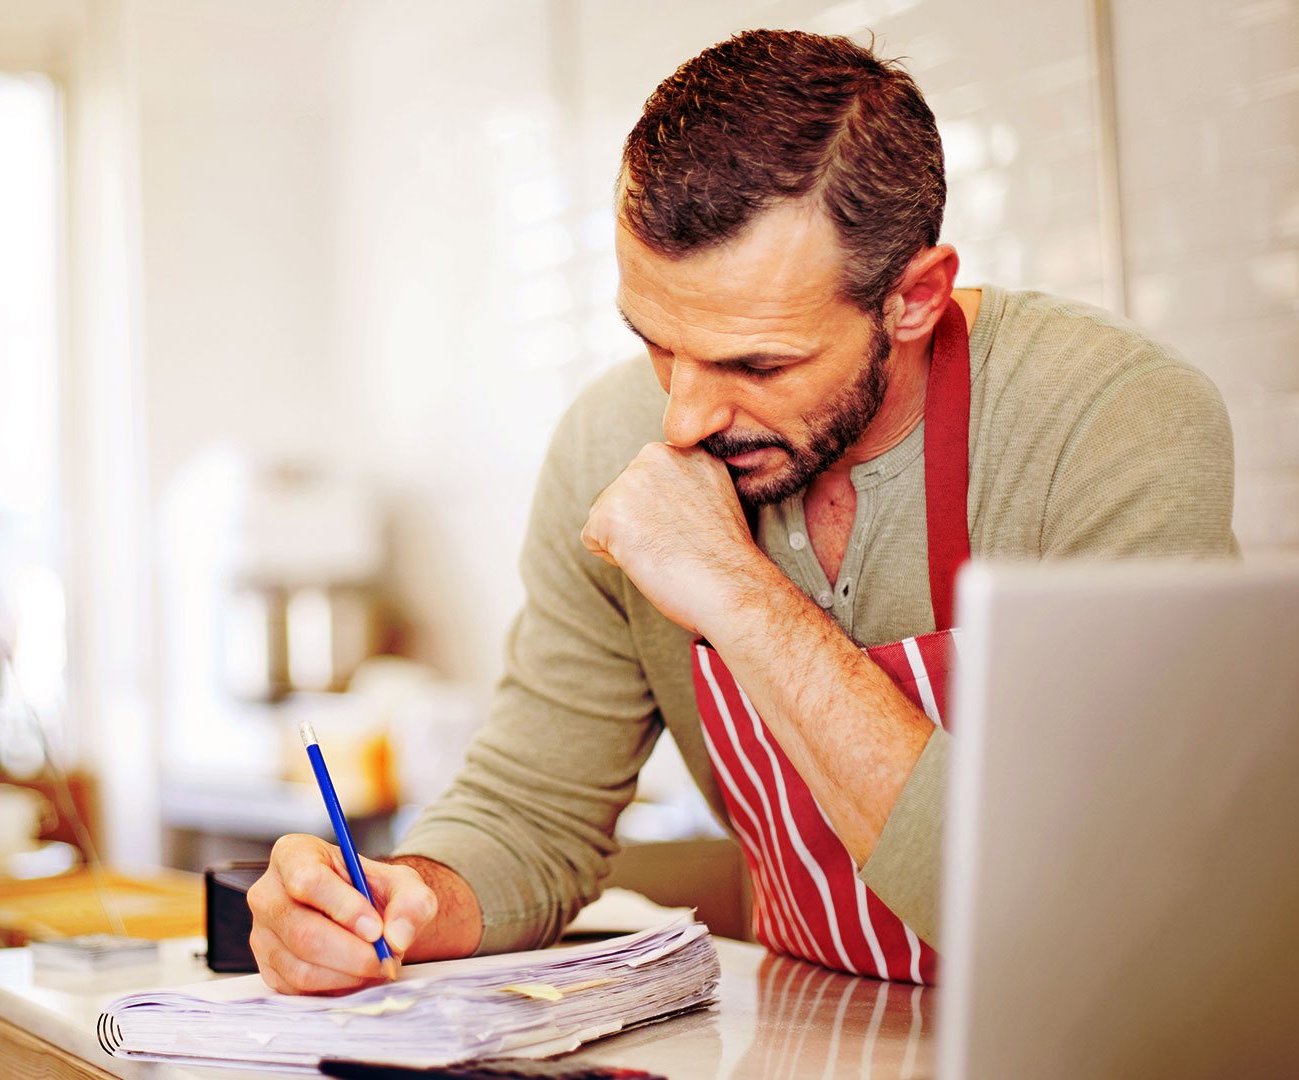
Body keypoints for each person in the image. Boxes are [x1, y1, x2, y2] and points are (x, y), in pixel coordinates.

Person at [248, 29, 1235, 992]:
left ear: (916, 298)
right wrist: (402, 899)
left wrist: (732, 588)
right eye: (659, 344)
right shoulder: (609, 446)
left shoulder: (1111, 426)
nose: (684, 418)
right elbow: (530, 811)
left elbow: (1073, 911)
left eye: (757, 364)